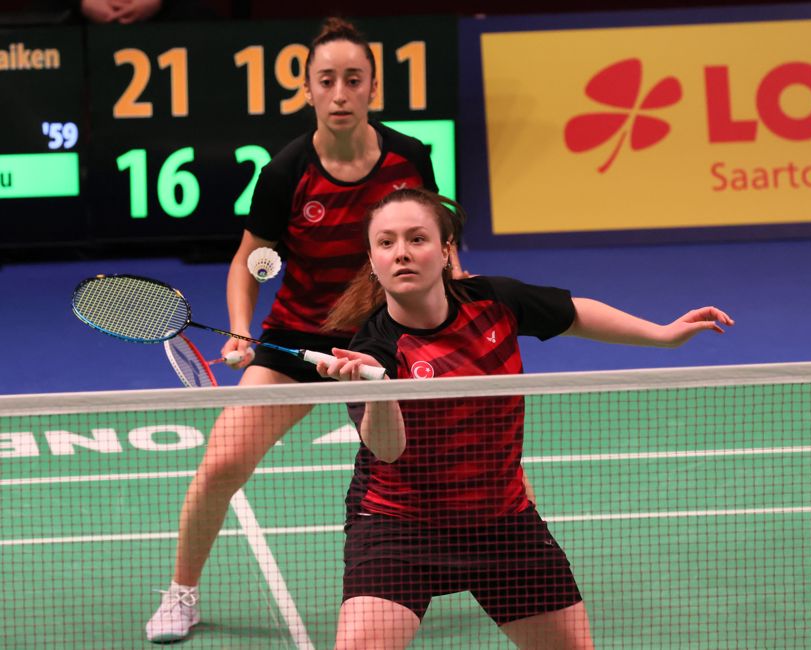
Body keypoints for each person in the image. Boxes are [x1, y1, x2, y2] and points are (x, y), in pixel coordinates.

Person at [145, 17, 455, 643]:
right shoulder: (287, 171)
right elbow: (246, 262)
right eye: (326, 81)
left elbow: (439, 245)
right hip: (296, 337)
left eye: (353, 80)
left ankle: (485, 566)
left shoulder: (408, 157)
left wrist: (456, 316)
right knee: (221, 464)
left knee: (436, 459)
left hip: (382, 337)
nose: (340, 93)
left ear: (372, 88)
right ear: (308, 91)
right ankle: (181, 593)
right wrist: (239, 331)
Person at [317, 187, 735, 649]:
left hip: (501, 520)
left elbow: (573, 313)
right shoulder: (372, 346)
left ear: (445, 250)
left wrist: (662, 335)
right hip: (399, 528)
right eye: (386, 243)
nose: (402, 254)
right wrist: (378, 390)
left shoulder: (494, 301)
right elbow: (388, 450)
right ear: (372, 261)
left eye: (417, 239)